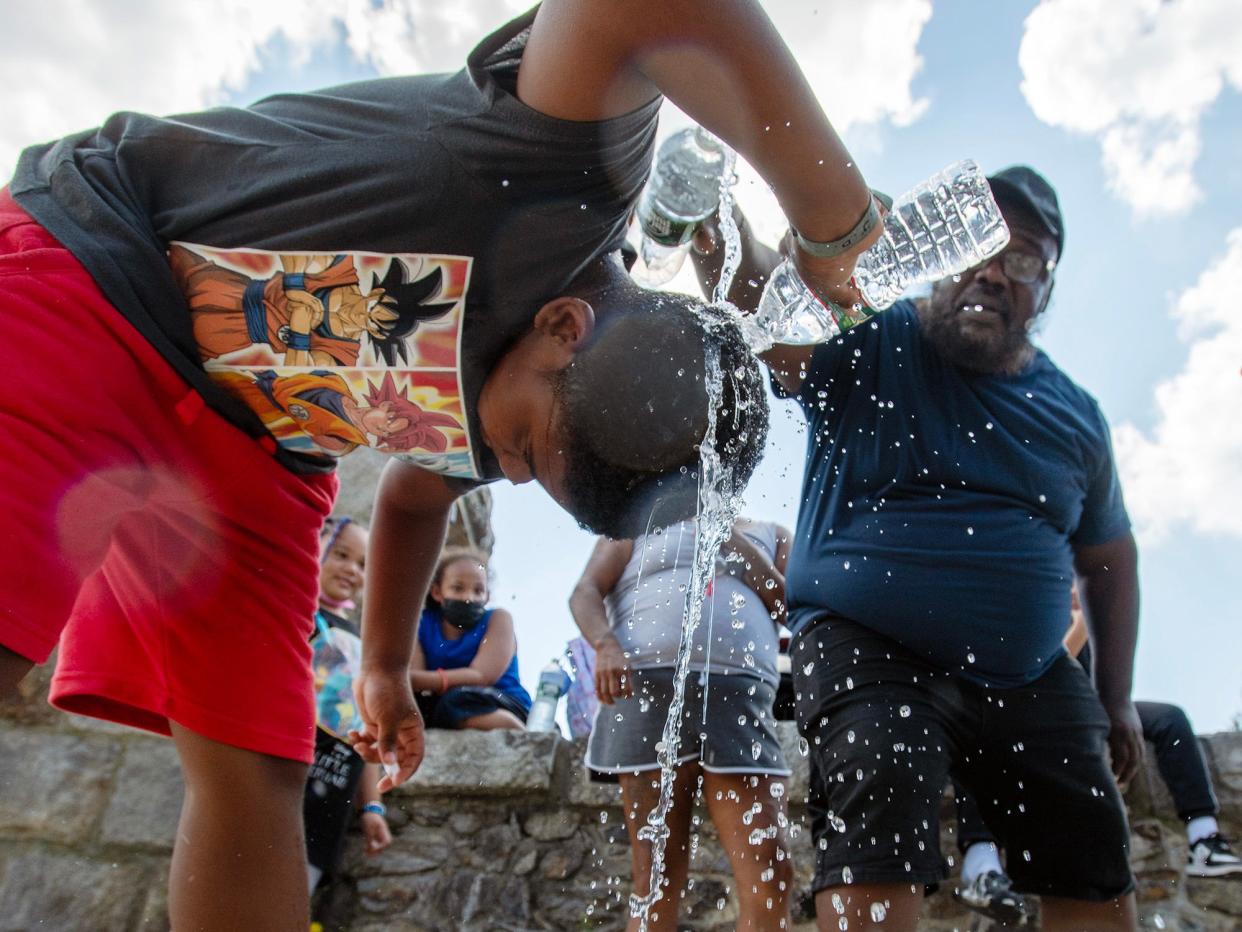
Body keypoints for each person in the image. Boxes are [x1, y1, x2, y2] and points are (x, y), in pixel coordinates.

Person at [0, 1, 884, 926]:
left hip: (262, 453)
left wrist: (384, 666)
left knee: (258, 764)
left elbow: (415, 499)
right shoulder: (563, 176)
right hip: (102, 275)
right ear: (562, 328)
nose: (500, 467)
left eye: (527, 477)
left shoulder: (523, 408)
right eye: (527, 450)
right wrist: (833, 220)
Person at [695, 166, 1143, 930]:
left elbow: (1110, 561)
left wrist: (1117, 697)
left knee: (1093, 854)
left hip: (1031, 667)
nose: (995, 273)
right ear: (941, 250)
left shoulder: (1075, 414)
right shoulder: (876, 333)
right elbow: (766, 309)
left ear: (1047, 288)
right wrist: (708, 210)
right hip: (868, 645)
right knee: (880, 795)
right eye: (981, 244)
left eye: (1024, 258)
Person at [954, 589, 1240, 923]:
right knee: (980, 736)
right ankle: (982, 869)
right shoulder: (1026, 611)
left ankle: (1204, 839)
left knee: (1170, 719)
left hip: (1090, 709)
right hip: (1033, 712)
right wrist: (1082, 622)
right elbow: (1046, 669)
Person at [571, 517, 795, 930]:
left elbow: (789, 605)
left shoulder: (771, 533)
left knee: (772, 869)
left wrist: (729, 537)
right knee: (654, 876)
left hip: (740, 699)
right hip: (647, 691)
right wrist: (605, 643)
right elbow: (585, 591)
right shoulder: (635, 520)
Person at [303, 516, 393, 898]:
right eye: (342, 555)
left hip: (330, 801)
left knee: (292, 899)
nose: (352, 570)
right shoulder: (297, 615)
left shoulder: (364, 643)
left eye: (362, 565)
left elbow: (366, 729)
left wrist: (371, 808)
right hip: (279, 783)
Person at [409, 547, 531, 730]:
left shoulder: (498, 619)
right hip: (445, 704)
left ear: (487, 596)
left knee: (455, 701)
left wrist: (402, 678)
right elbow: (414, 680)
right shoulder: (421, 623)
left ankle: (519, 733)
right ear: (437, 592)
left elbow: (482, 676)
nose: (468, 597)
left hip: (499, 700)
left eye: (478, 591)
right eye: (458, 588)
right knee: (413, 708)